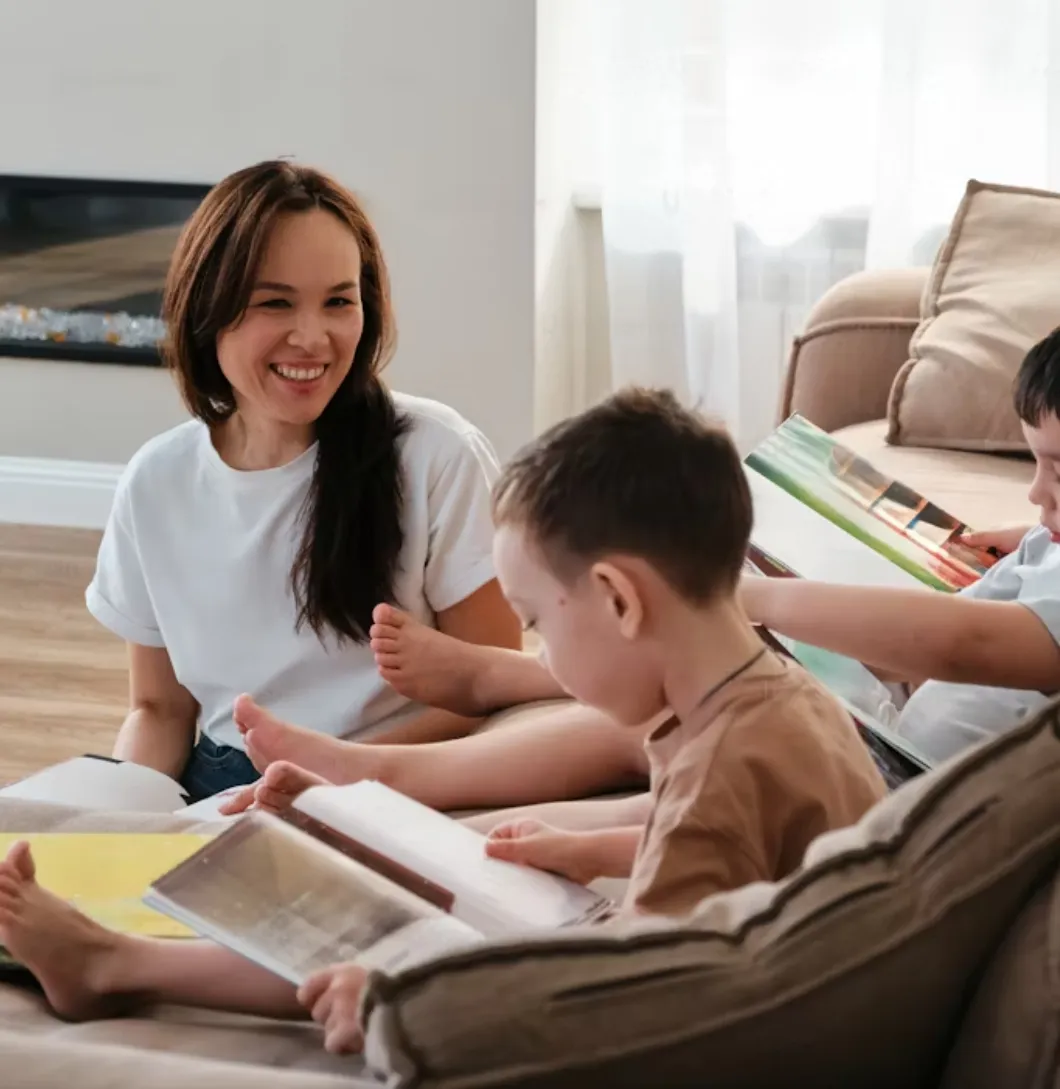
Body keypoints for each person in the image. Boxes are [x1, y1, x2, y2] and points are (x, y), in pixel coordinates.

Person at [0, 388, 886, 1057]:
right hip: (711, 972)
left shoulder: (727, 759)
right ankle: (143, 944)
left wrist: (405, 1000)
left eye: (537, 619)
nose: (536, 654)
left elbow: (637, 998)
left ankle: (117, 963)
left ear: (616, 599)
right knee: (392, 860)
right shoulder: (766, 704)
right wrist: (594, 848)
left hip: (668, 1016)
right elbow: (746, 841)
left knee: (384, 930)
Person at [85, 160, 522, 801]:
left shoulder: (435, 455)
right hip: (221, 781)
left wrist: (325, 775)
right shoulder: (157, 480)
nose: (313, 338)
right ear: (210, 311)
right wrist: (128, 815)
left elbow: (494, 690)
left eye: (339, 302)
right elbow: (160, 711)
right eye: (275, 303)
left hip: (395, 779)